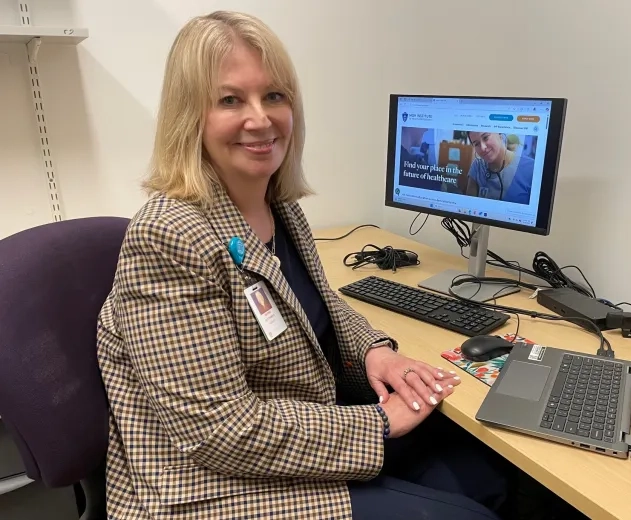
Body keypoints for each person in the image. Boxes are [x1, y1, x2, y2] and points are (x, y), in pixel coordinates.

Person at [96, 11, 512, 520]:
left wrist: (376, 353)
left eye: (274, 96)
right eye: (230, 100)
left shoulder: (278, 206)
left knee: (488, 474)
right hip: (211, 485)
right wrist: (381, 424)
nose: (260, 118)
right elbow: (218, 429)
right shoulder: (168, 236)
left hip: (291, 437)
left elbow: (315, 307)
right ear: (191, 115)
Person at [466, 131, 535, 204]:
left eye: (485, 137)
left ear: (500, 135)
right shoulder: (477, 166)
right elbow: (469, 206)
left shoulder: (531, 168)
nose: (483, 148)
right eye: (476, 144)